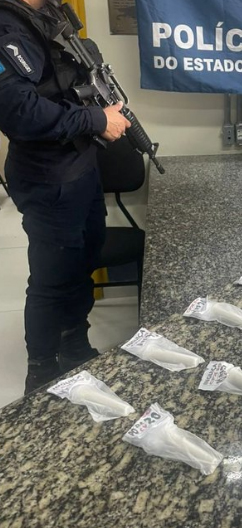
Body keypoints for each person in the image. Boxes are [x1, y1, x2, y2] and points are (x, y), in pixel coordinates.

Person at [0, 0, 131, 393]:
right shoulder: (6, 27)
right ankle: (40, 373)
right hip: (47, 178)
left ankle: (75, 347)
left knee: (82, 264)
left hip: (80, 166)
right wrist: (95, 119)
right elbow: (18, 112)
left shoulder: (51, 14)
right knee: (52, 278)